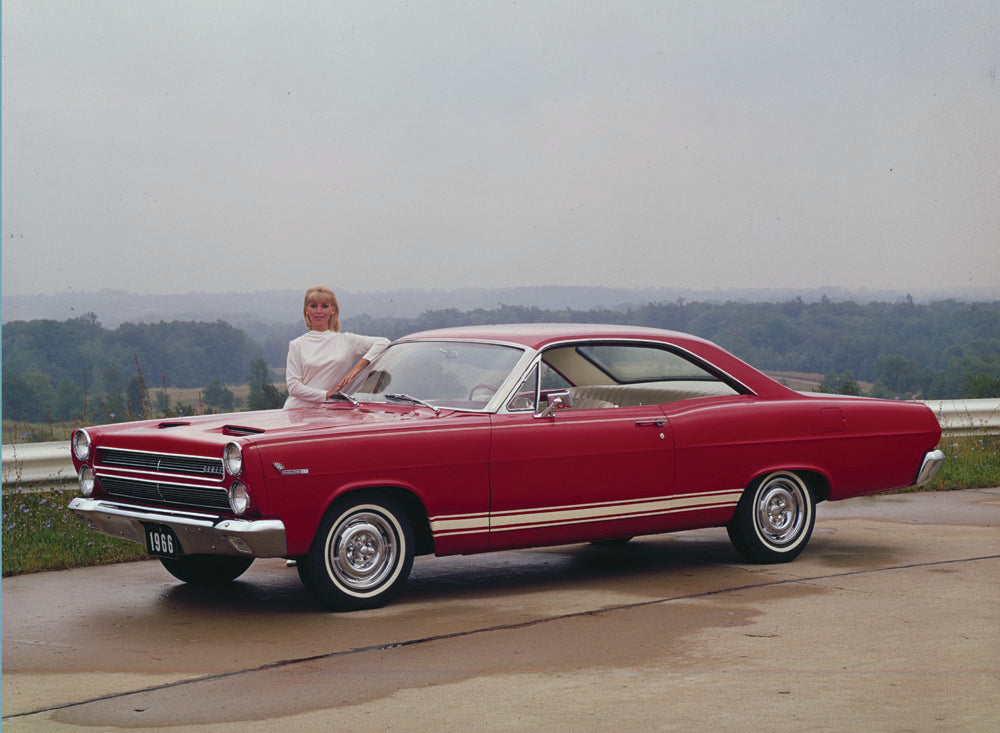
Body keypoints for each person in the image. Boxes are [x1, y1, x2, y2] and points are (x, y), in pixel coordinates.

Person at [283, 286, 390, 408]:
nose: (318, 311)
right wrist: (327, 395)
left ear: (333, 310)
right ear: (306, 310)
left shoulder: (347, 340)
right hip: (297, 412)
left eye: (324, 306)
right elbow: (293, 387)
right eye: (313, 306)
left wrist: (357, 368)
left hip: (332, 413)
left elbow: (383, 342)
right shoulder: (297, 345)